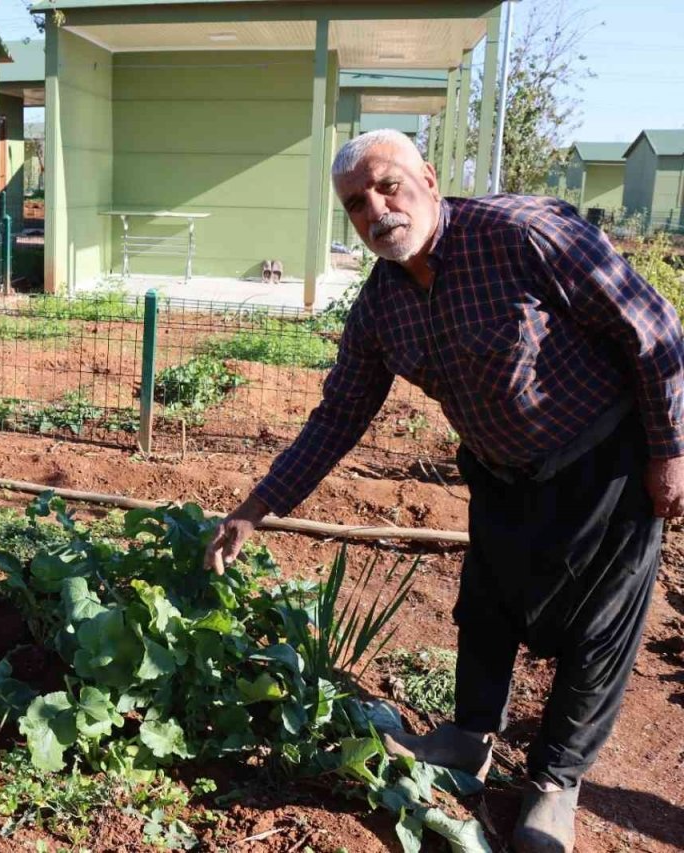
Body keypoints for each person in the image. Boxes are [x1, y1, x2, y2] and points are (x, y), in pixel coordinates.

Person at [203, 129, 684, 853]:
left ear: (429, 178)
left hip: (604, 462)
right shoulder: (381, 306)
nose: (376, 211)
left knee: (598, 630)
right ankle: (467, 738)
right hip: (500, 471)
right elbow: (339, 414)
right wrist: (254, 509)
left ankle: (556, 781)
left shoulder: (524, 236)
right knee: (486, 608)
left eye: (387, 186)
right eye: (357, 204)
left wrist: (669, 451)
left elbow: (654, 331)